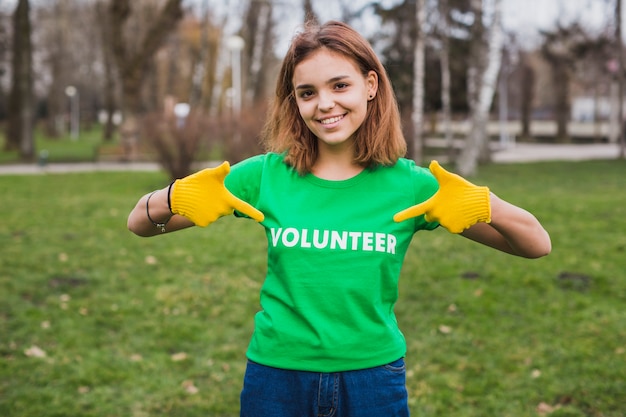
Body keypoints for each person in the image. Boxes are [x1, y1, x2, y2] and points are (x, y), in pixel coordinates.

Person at [127, 20, 551, 417]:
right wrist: (175, 196)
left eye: (339, 85)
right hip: (276, 378)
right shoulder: (264, 176)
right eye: (307, 93)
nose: (324, 104)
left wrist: (485, 204)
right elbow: (139, 223)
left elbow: (536, 245)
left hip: (373, 381)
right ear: (294, 101)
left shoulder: (412, 185)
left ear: (370, 85)